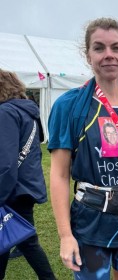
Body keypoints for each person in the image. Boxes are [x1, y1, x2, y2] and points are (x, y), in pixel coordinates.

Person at [48, 18, 118, 280]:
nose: (109, 55)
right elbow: (59, 175)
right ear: (88, 55)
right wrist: (64, 235)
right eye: (99, 48)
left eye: (115, 48)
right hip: (90, 222)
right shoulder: (69, 106)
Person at [0, 69, 56, 279]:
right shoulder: (28, 110)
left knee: (26, 241)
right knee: (10, 234)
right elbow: (38, 140)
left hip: (12, 188)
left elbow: (5, 163)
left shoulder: (6, 112)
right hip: (27, 183)